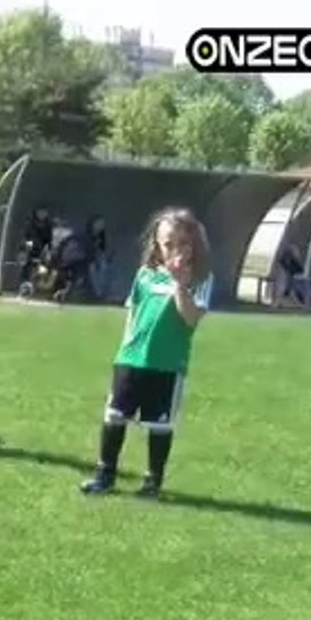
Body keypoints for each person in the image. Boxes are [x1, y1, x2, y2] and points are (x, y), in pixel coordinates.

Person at [80, 207, 213, 498]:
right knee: (115, 416)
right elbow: (134, 312)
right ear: (157, 245)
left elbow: (190, 318)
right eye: (168, 243)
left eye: (183, 243)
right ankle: (105, 475)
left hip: (166, 364)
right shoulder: (145, 275)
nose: (176, 250)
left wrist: (180, 284)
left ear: (194, 245)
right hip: (131, 359)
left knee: (159, 424)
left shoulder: (200, 280)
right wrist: (124, 347)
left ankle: (152, 482)